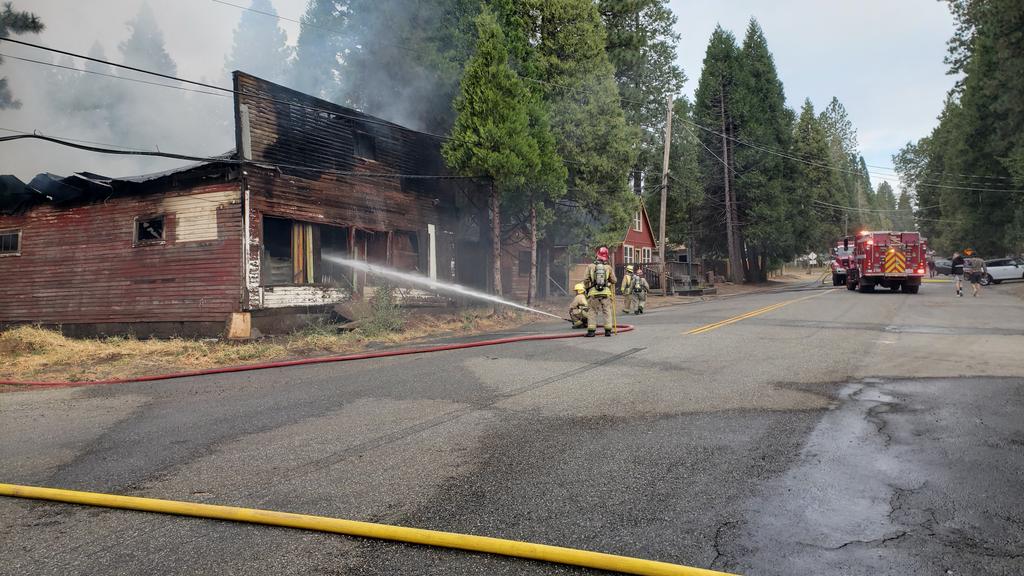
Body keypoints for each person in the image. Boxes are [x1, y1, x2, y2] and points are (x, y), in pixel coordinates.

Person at [583, 246, 617, 337]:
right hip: (606, 293)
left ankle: (591, 331)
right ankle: (608, 331)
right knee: (607, 311)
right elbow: (614, 281)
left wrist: (587, 289)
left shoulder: (590, 266)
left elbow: (586, 280)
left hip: (593, 293)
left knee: (592, 311)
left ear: (597, 255)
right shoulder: (608, 268)